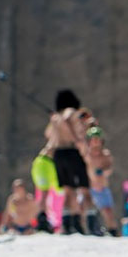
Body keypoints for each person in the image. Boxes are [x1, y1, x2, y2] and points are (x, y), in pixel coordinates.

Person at [47, 89, 91, 235]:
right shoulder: (70, 111)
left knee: (67, 189)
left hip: (58, 153)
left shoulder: (55, 117)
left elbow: (48, 134)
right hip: (71, 151)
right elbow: (67, 119)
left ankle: (67, 221)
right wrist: (77, 139)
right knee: (82, 187)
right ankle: (83, 221)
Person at [85, 126, 117, 236]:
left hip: (102, 187)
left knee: (107, 211)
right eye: (93, 139)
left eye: (97, 139)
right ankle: (90, 229)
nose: (95, 142)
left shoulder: (105, 154)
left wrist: (103, 171)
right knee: (87, 208)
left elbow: (109, 169)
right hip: (90, 188)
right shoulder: (87, 154)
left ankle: (112, 230)